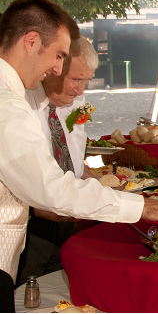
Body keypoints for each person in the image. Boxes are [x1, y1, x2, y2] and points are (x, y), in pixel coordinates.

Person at [0, 0, 158, 312]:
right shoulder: (9, 105)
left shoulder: (26, 100)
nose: (57, 68)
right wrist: (143, 206)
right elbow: (52, 189)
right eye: (58, 56)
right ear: (31, 41)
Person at [15, 36, 99, 286]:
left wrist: (98, 184)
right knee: (25, 290)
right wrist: (34, 206)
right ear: (51, 70)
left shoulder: (72, 101)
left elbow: (71, 153)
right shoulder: (19, 103)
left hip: (65, 218)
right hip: (29, 224)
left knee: (60, 289)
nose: (80, 90)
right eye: (75, 79)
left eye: (86, 80)